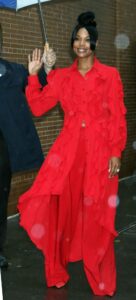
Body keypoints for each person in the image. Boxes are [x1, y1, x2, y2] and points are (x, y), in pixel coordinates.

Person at [18, 11, 127, 296]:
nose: (81, 44)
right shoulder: (63, 77)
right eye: (77, 39)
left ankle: (101, 280)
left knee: (98, 217)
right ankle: (56, 273)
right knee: (59, 214)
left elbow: (118, 116)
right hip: (66, 155)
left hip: (99, 155)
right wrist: (35, 76)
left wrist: (115, 151)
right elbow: (39, 106)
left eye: (87, 39)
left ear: (95, 44)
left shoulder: (110, 76)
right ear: (72, 44)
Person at [0, 24, 56, 268]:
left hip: (4, 148)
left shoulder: (14, 72)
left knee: (0, 201)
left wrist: (47, 67)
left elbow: (41, 86)